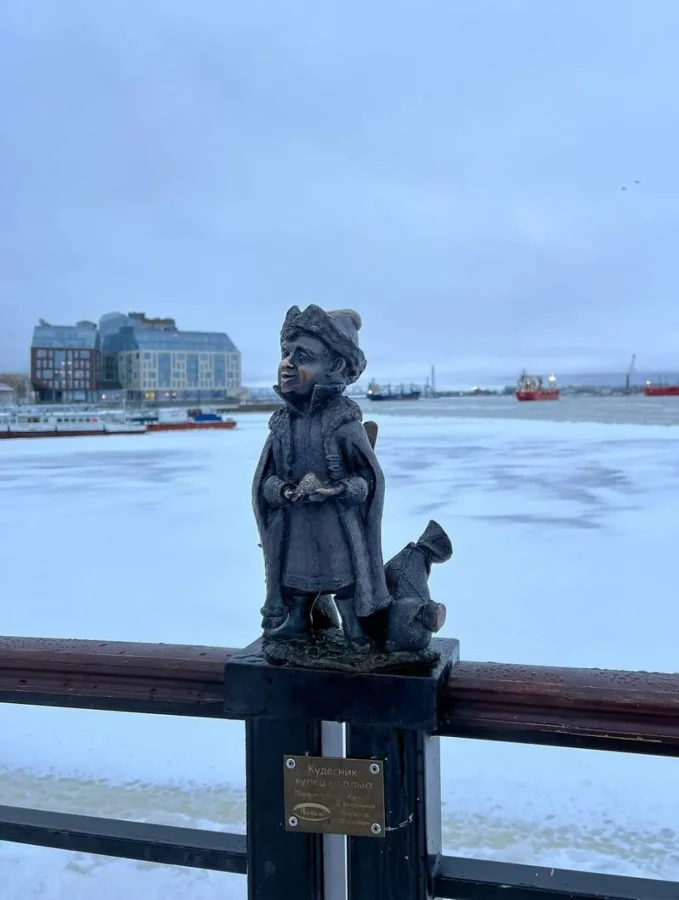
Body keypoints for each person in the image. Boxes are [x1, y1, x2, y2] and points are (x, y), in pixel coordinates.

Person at [252, 304, 392, 651]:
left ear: (337, 367)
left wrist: (337, 489)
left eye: (303, 356)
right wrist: (283, 491)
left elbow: (367, 481)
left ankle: (355, 628)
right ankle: (297, 621)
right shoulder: (282, 424)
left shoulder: (344, 423)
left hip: (336, 523)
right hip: (296, 522)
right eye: (285, 353)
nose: (287, 363)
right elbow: (265, 481)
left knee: (342, 573)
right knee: (296, 572)